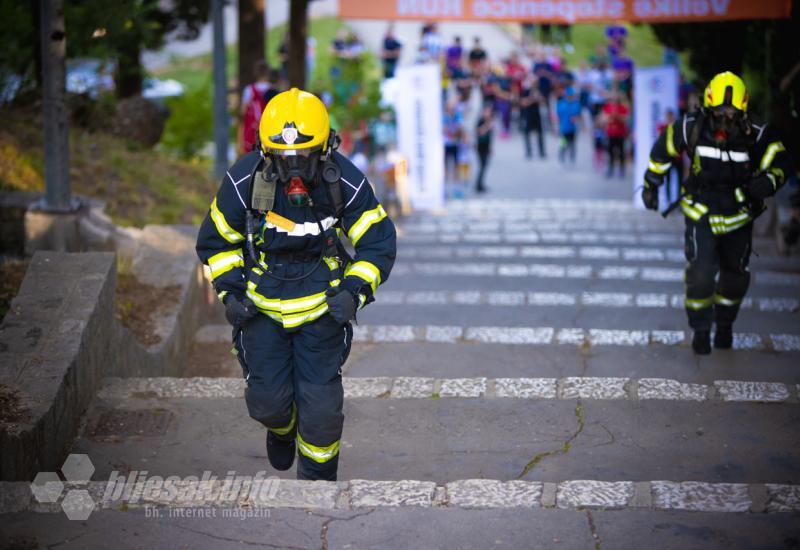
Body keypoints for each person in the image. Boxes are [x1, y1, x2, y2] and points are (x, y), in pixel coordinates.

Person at [196, 89, 397, 480]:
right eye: (282, 158)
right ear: (264, 150)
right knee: (268, 403)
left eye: (302, 158)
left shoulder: (344, 181)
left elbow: (378, 242)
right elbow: (217, 240)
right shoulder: (245, 180)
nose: (292, 169)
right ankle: (281, 428)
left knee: (321, 408)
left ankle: (317, 489)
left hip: (323, 305)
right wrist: (231, 293)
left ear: (325, 149)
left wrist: (353, 291)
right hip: (261, 309)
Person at [641, 72, 790, 354]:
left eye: (732, 111)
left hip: (739, 216)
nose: (726, 116)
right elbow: (663, 148)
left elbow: (781, 162)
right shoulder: (691, 127)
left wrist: (768, 182)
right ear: (708, 106)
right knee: (701, 275)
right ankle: (700, 328)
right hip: (701, 213)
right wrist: (651, 184)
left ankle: (724, 325)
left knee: (735, 278)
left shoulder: (757, 134)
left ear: (743, 109)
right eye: (721, 110)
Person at [238, 60, 271, 156]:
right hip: (267, 128)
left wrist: (239, 139)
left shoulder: (249, 90)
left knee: (251, 156)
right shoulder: (272, 90)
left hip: (251, 130)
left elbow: (242, 113)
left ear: (256, 73)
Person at [602, 89, 630, 177]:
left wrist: (618, 116)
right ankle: (610, 169)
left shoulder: (623, 107)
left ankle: (622, 170)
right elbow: (604, 119)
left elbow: (626, 119)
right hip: (610, 133)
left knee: (621, 152)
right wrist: (610, 117)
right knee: (610, 152)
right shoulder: (607, 107)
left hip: (620, 133)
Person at [519, 73, 545, 159]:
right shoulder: (526, 91)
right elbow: (523, 103)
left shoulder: (539, 90)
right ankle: (528, 152)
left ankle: (542, 152)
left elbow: (543, 102)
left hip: (537, 115)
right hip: (528, 115)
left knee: (540, 134)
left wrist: (538, 98)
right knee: (527, 134)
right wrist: (532, 99)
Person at [556, 86, 581, 165]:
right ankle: (562, 157)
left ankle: (572, 158)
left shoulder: (576, 104)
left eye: (572, 95)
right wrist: (556, 127)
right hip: (563, 128)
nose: (570, 96)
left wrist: (576, 119)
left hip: (573, 128)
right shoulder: (560, 104)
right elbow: (557, 116)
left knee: (572, 144)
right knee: (562, 144)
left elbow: (579, 116)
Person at [475, 103, 494, 193]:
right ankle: (478, 185)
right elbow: (480, 132)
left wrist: (490, 148)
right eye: (487, 111)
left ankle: (481, 184)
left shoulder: (489, 122)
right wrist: (487, 125)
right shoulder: (481, 121)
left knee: (484, 166)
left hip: (486, 147)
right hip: (480, 147)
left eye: (489, 112)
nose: (488, 113)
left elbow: (490, 137)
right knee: (482, 166)